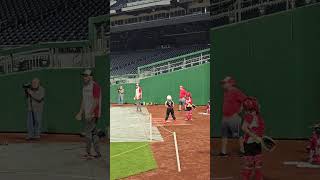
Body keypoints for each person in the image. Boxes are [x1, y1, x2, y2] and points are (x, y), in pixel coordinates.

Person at [76, 69, 102, 159]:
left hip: (93, 114)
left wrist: (90, 113)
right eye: (84, 76)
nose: (84, 77)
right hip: (87, 114)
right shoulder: (84, 87)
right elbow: (83, 101)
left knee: (87, 133)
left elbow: (96, 101)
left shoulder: (95, 86)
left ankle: (88, 153)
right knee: (94, 134)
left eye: (86, 76)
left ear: (91, 77)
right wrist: (80, 112)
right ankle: (97, 153)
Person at [219, 76, 247, 156]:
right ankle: (223, 152)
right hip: (225, 116)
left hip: (233, 117)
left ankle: (243, 151)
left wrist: (238, 111)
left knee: (239, 135)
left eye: (224, 83)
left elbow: (245, 100)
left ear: (230, 83)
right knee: (224, 135)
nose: (223, 85)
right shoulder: (226, 92)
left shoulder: (235, 91)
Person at [241, 97, 265, 180]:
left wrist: (261, 139)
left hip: (256, 144)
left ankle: (258, 177)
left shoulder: (258, 117)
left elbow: (260, 131)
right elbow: (244, 128)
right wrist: (255, 137)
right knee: (249, 165)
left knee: (258, 165)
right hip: (249, 144)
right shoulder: (249, 117)